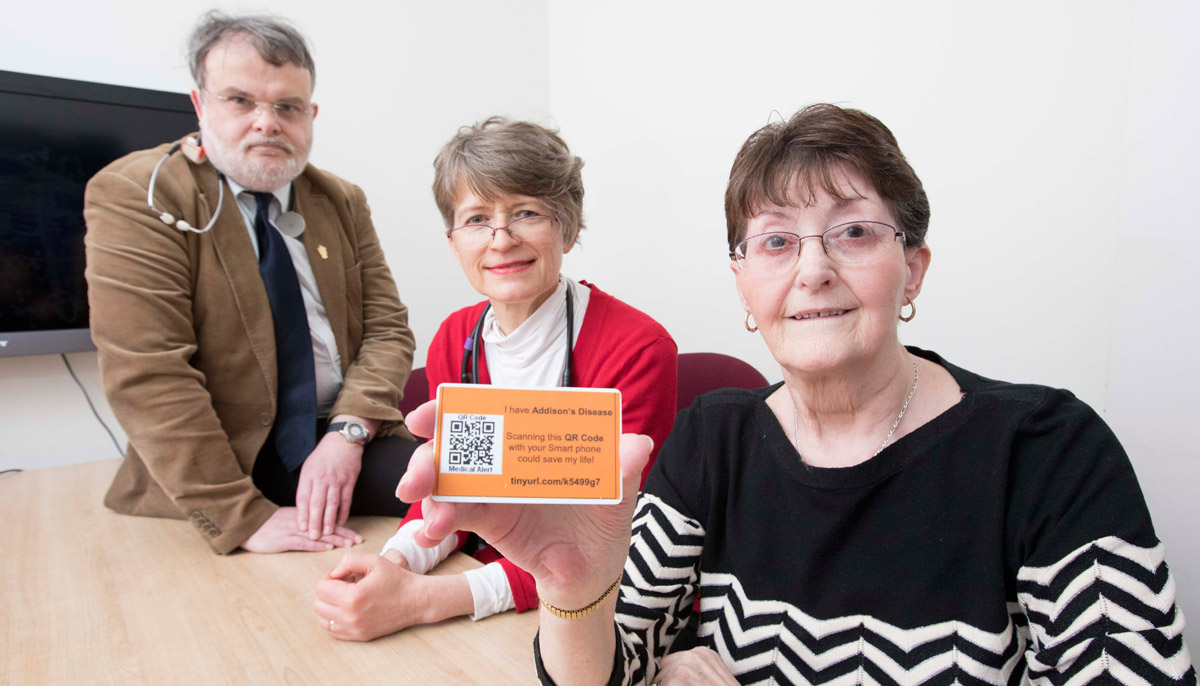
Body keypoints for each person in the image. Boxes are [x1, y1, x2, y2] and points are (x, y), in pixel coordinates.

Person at [395, 104, 1196, 684]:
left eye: (852, 231)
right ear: (743, 282)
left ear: (912, 267)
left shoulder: (1050, 452)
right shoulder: (714, 439)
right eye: (775, 240)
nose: (812, 269)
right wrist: (576, 592)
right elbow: (614, 668)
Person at [313, 117, 678, 641]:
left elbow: (611, 542)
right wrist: (396, 564)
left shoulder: (635, 348)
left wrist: (427, 601)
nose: (501, 239)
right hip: (484, 574)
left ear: (568, 227)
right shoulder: (454, 338)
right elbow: (454, 489)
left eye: (526, 212)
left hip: (586, 607)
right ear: (453, 240)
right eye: (477, 218)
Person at [84, 11, 418, 555]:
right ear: (200, 106)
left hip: (339, 435)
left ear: (310, 114)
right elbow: (148, 371)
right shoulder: (138, 193)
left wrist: (349, 431)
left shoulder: (338, 200)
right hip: (225, 463)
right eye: (240, 101)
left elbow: (387, 329)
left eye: (287, 107)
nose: (267, 123)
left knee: (476, 488)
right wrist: (239, 517)